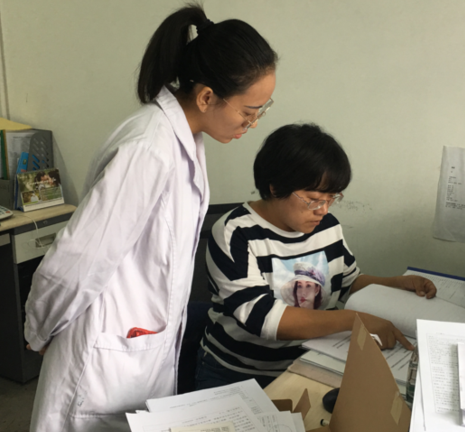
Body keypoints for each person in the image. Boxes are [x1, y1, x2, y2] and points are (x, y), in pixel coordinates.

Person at [23, 4, 277, 431]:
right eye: (248, 112)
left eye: (260, 112)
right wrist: (39, 328)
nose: (251, 124)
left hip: (138, 350)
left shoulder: (183, 140)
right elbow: (76, 262)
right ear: (207, 97)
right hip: (101, 360)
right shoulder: (149, 149)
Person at [196, 123, 436, 390]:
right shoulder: (235, 232)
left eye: (332, 198)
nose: (323, 210)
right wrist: (354, 321)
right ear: (275, 188)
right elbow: (262, 318)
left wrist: (394, 284)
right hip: (240, 373)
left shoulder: (326, 226)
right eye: (313, 199)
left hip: (313, 363)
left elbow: (346, 283)